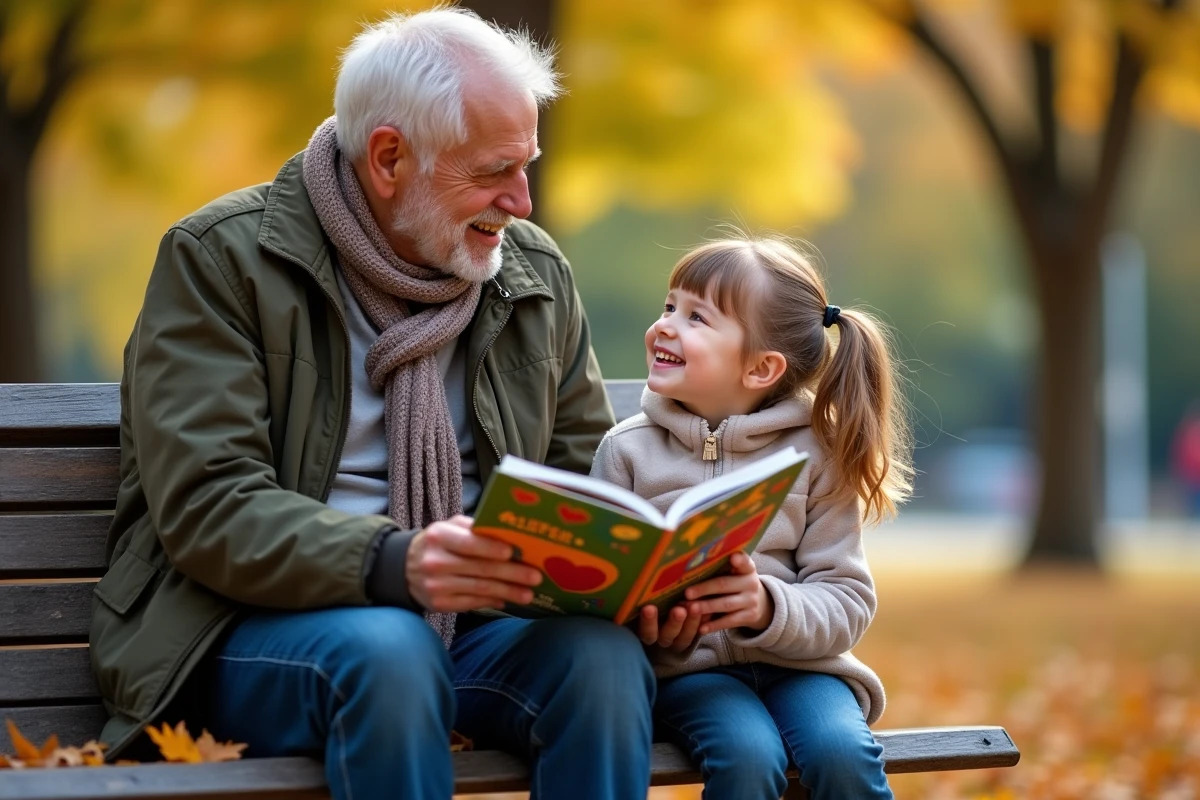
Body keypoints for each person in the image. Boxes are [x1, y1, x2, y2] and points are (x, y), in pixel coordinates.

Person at [92, 8, 655, 799]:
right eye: (494, 171)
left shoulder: (531, 272)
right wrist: (394, 563)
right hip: (245, 630)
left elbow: (580, 474)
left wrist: (640, 578)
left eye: (526, 165)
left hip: (474, 629)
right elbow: (208, 504)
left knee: (600, 662)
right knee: (390, 650)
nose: (521, 201)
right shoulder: (222, 260)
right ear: (389, 157)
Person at [591, 233, 914, 800]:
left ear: (762, 368)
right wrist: (646, 623)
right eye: (669, 307)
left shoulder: (817, 453)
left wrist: (767, 606)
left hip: (803, 671)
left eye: (697, 318)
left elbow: (846, 598)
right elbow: (601, 590)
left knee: (843, 756)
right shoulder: (626, 451)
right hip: (690, 675)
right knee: (746, 758)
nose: (667, 325)